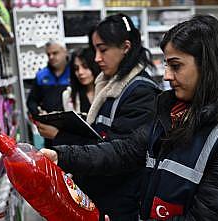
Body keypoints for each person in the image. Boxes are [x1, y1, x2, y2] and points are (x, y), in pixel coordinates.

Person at [42, 15, 218, 220]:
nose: (166, 75)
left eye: (175, 66)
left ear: (209, 66)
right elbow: (123, 151)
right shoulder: (173, 114)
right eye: (166, 64)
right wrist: (60, 155)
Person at [38, 14, 160, 220]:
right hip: (102, 194)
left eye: (103, 50)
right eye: (95, 50)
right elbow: (102, 136)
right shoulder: (109, 85)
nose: (96, 58)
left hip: (120, 203)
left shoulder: (140, 92)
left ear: (126, 47)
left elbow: (120, 151)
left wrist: (63, 149)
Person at [37, 47, 100, 145]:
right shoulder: (68, 96)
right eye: (76, 68)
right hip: (81, 151)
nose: (80, 72)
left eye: (85, 66)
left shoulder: (107, 94)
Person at [26, 40, 70, 147]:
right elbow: (31, 101)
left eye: (55, 53)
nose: (51, 57)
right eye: (48, 54)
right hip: (50, 129)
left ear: (65, 52)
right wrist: (38, 113)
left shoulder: (75, 72)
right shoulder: (41, 75)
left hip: (71, 128)